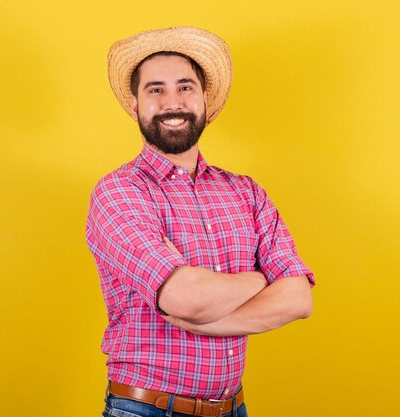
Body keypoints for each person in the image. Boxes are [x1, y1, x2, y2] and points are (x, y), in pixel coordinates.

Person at [86, 26, 315, 417]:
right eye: (155, 89)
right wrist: (260, 277)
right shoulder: (119, 193)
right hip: (146, 409)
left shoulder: (246, 192)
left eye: (185, 87)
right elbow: (184, 298)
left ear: (205, 98)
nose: (172, 102)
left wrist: (210, 318)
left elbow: (298, 298)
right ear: (134, 104)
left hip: (233, 408)